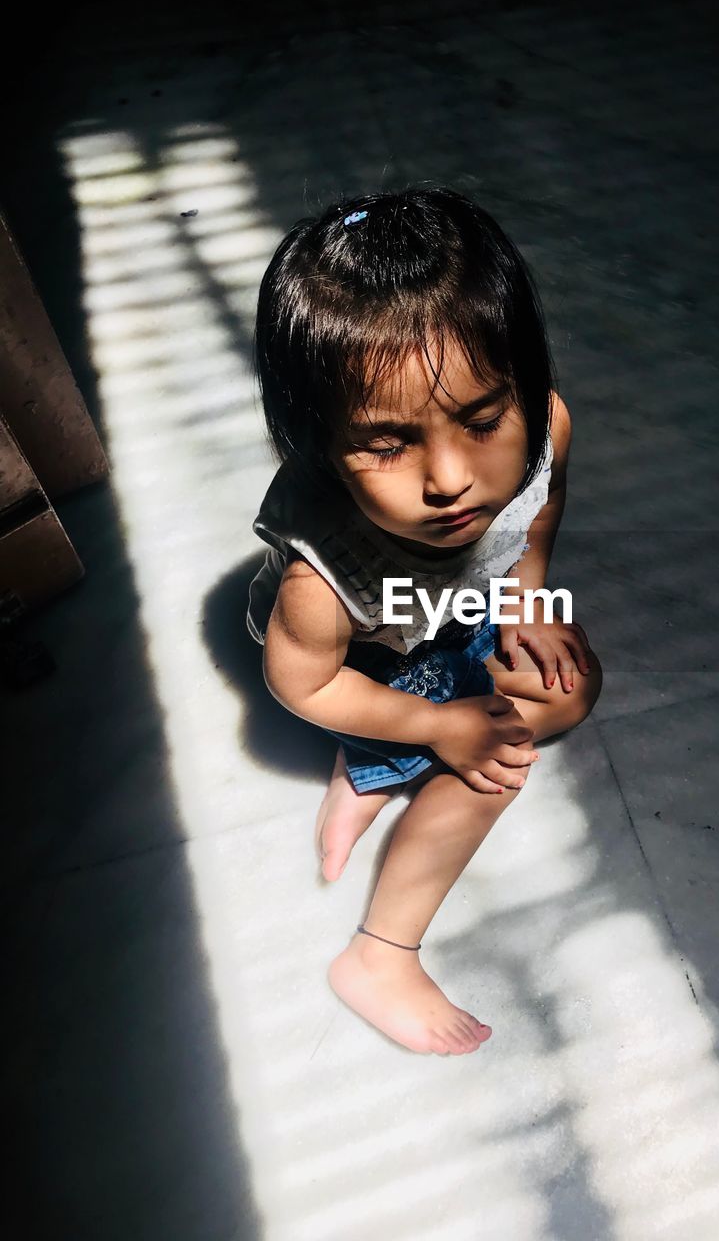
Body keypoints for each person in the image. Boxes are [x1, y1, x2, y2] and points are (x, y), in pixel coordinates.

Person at [246, 185, 603, 1056]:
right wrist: (434, 726)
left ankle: (371, 771)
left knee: (568, 689)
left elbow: (539, 508)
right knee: (497, 759)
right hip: (361, 661)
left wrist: (528, 595)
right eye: (385, 442)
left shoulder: (543, 425)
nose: (450, 479)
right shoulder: (320, 575)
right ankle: (381, 949)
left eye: (483, 420)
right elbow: (302, 680)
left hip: (450, 609)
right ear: (316, 444)